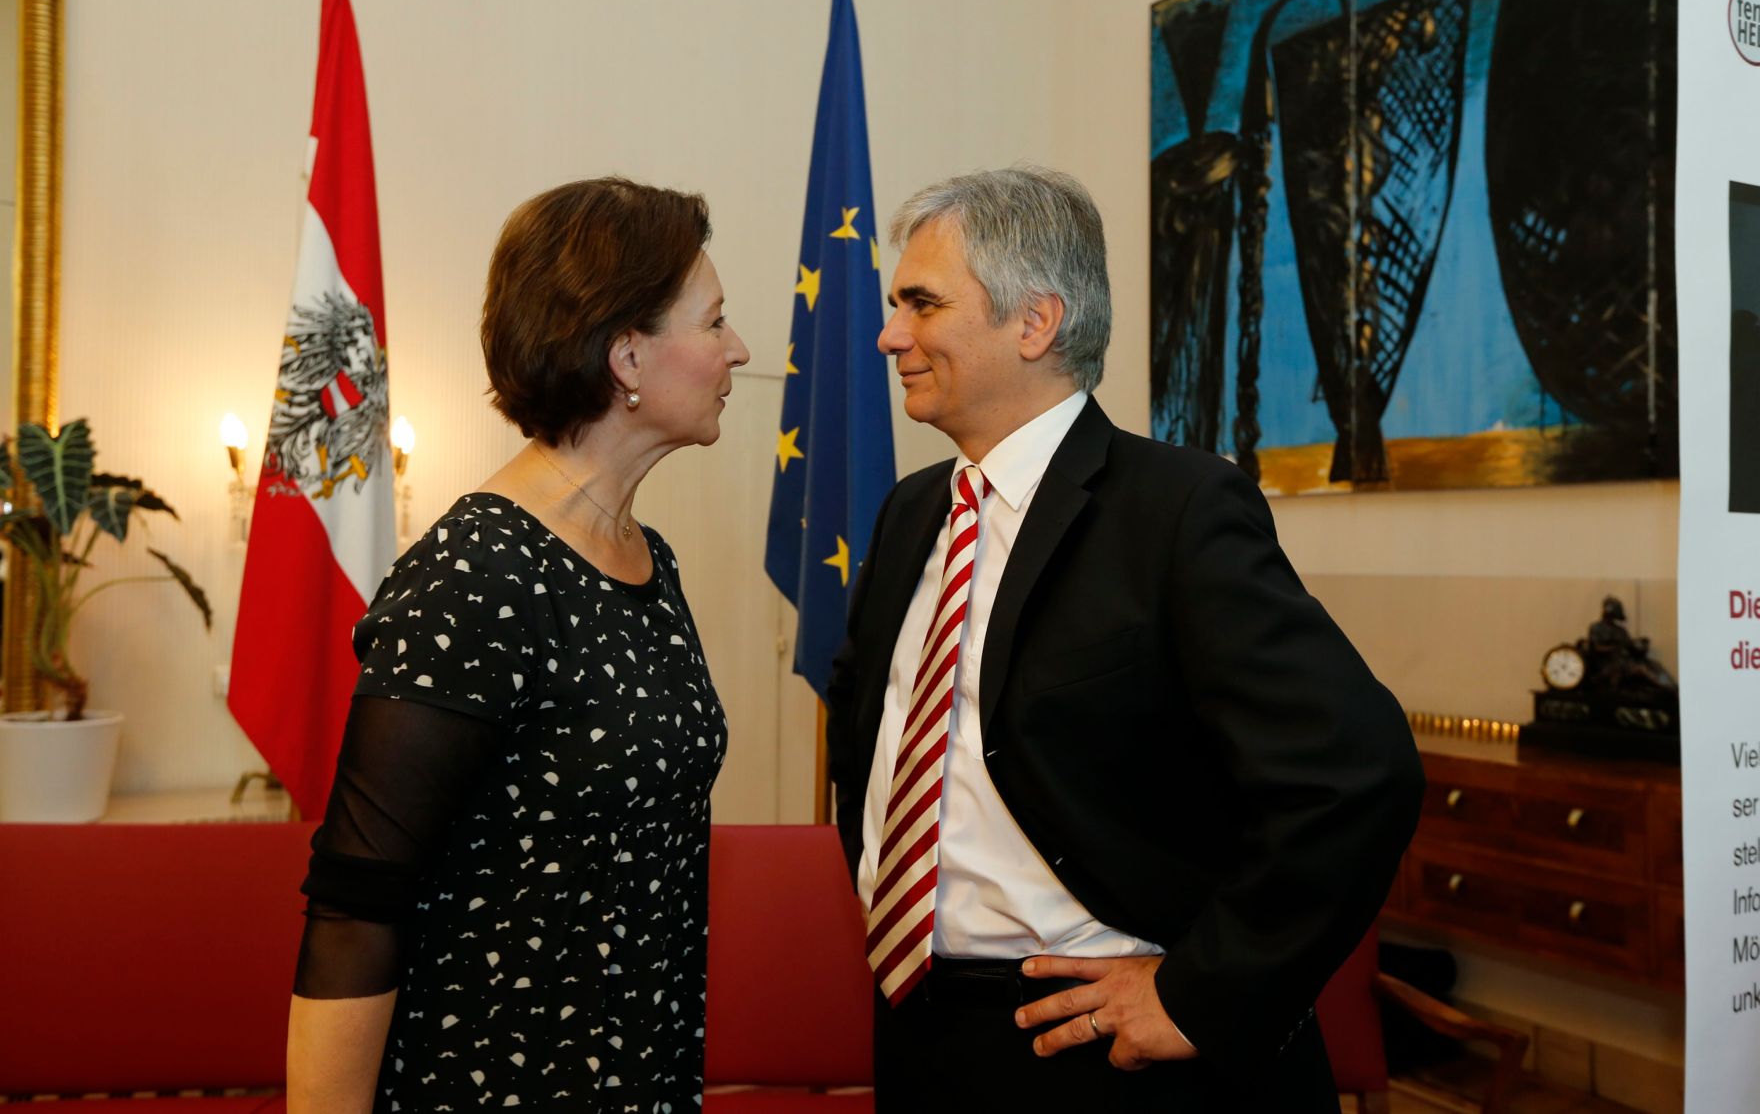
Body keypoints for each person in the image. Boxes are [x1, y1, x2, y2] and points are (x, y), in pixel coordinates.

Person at [825, 166, 1425, 1110]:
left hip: (1107, 1050)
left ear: (1035, 321)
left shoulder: (1178, 509)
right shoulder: (910, 513)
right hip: (920, 1029)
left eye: (922, 303)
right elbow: (869, 729)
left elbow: (1357, 774)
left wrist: (1201, 995)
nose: (889, 334)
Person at [286, 177, 749, 1112]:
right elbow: (357, 907)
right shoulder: (475, 573)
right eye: (713, 321)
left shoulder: (649, 558)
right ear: (627, 354)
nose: (737, 348)